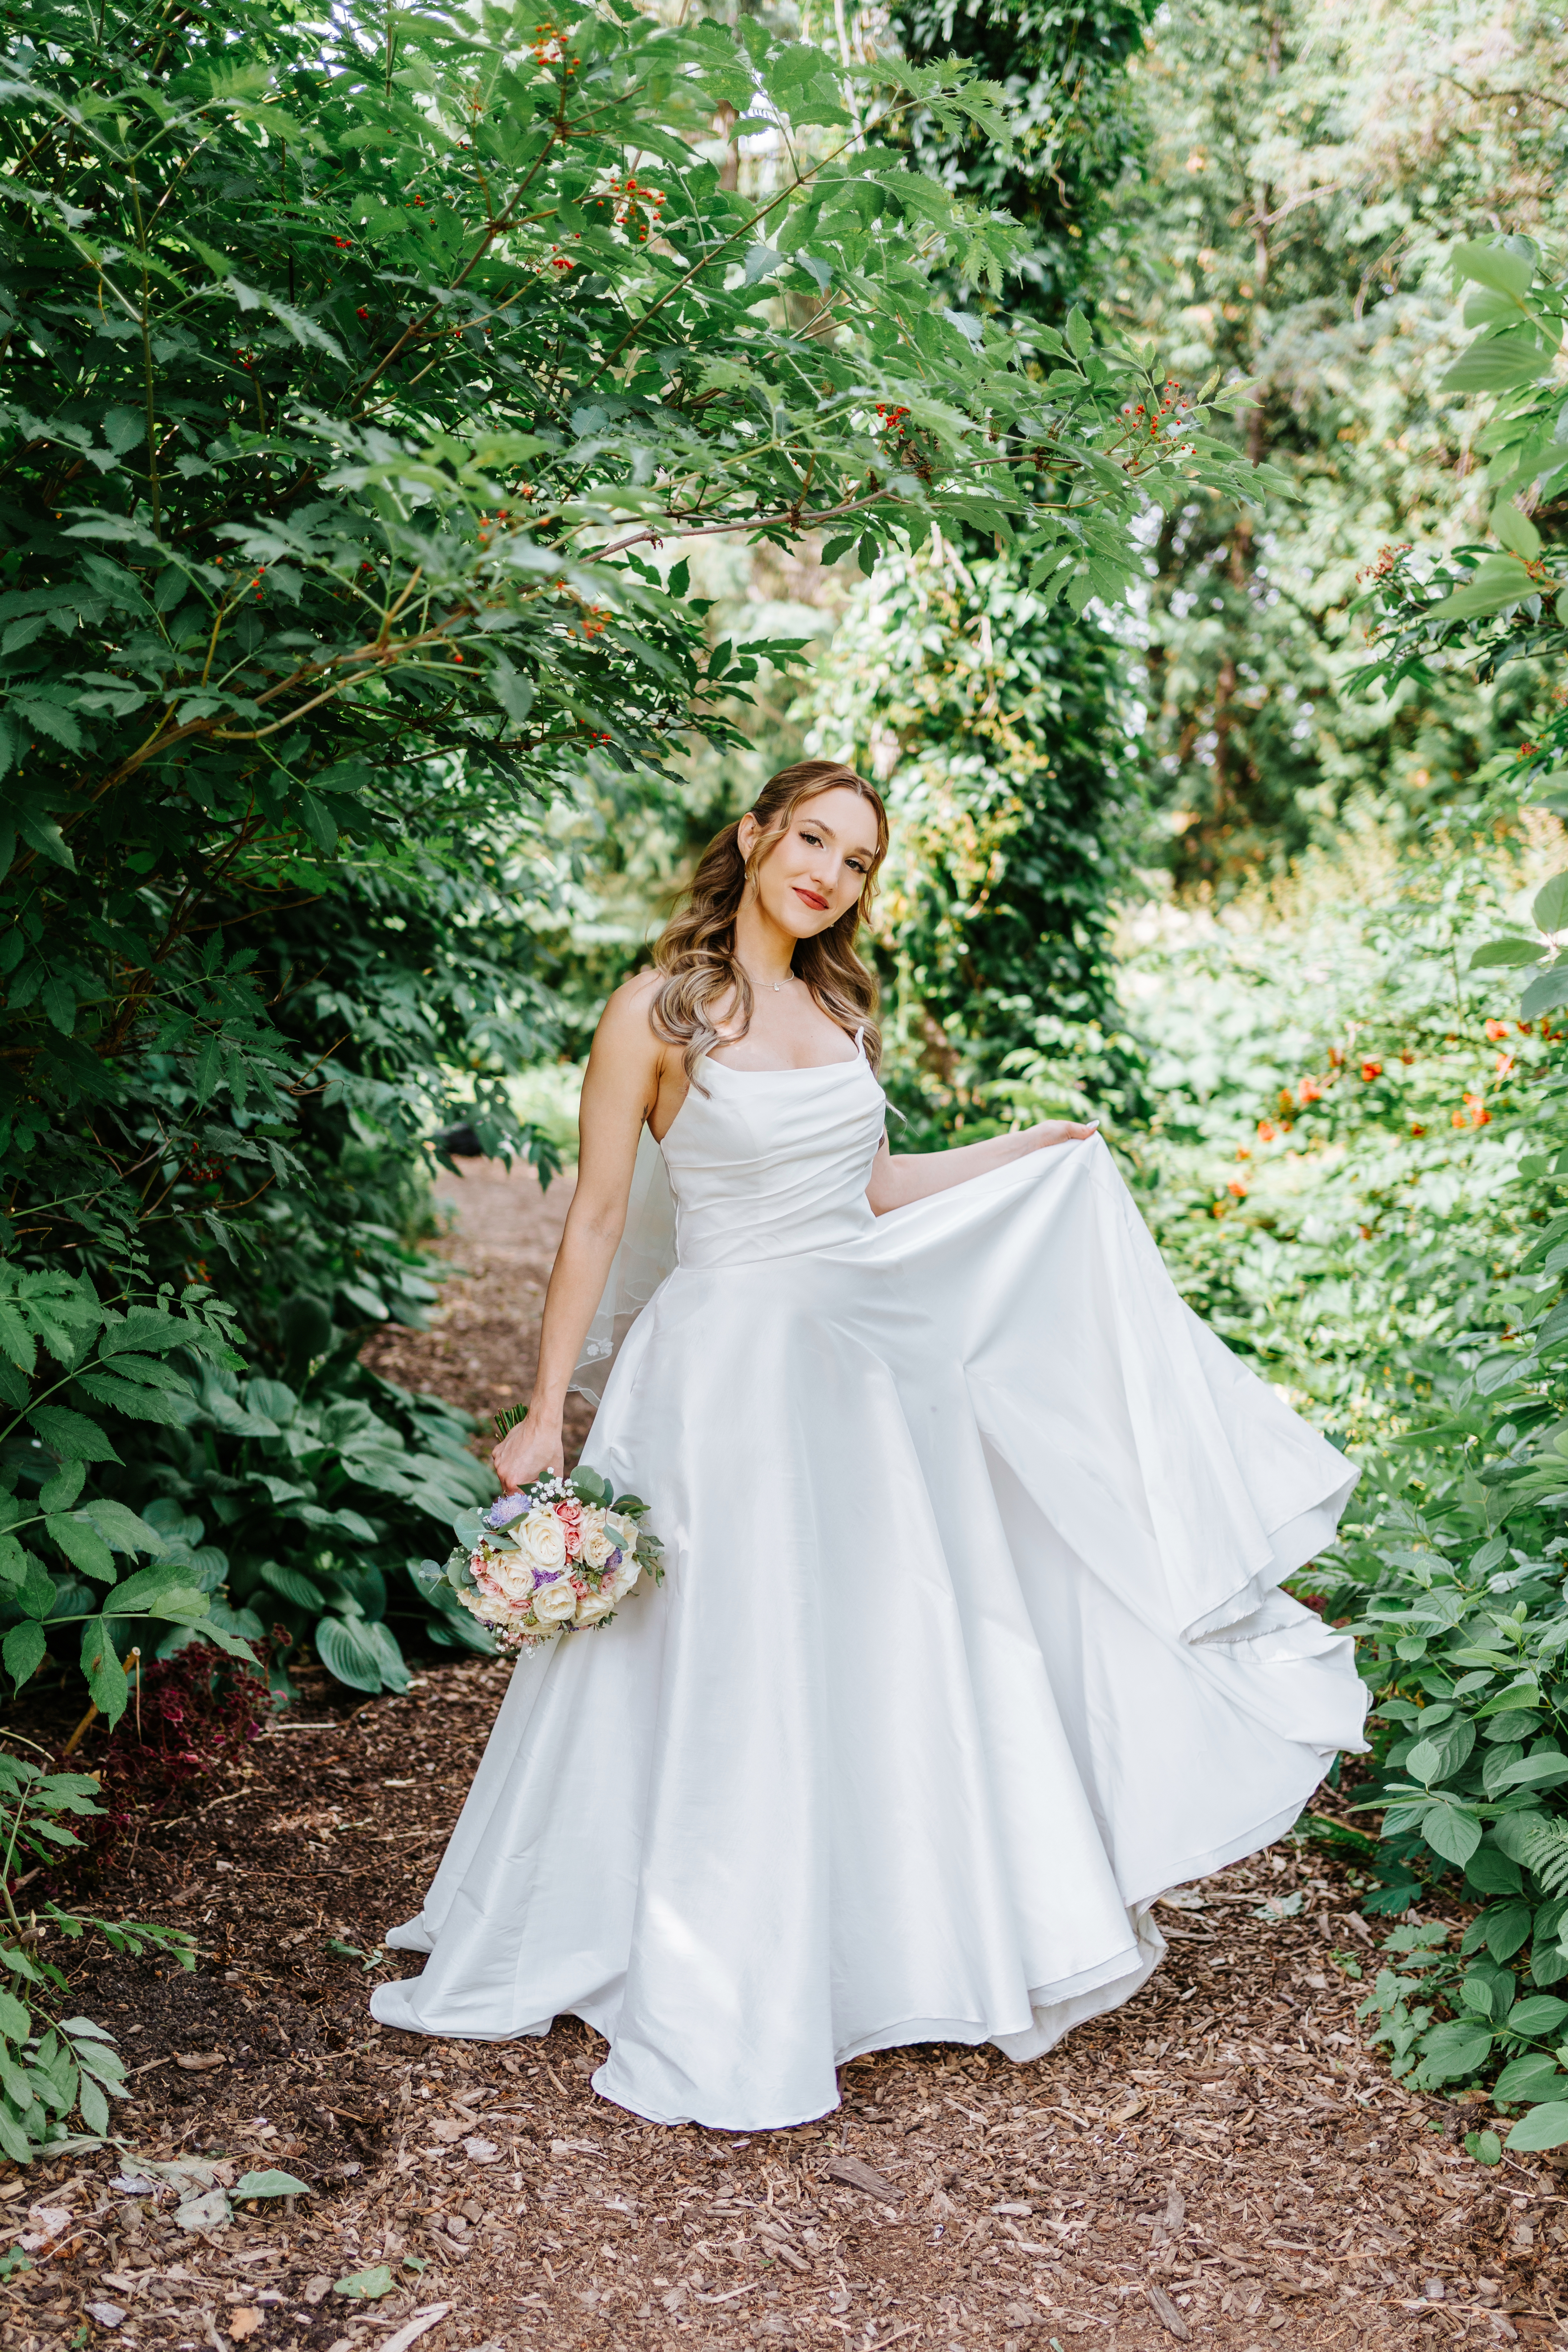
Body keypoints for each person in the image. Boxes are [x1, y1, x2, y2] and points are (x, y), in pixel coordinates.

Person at [370, 759, 1366, 2129]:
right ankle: (709, 1957)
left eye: (858, 860)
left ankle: (891, 1943)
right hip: (724, 1375)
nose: (831, 874)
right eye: (815, 840)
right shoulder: (655, 1013)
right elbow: (598, 1219)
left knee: (884, 1643)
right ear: (756, 836)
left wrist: (1028, 1152)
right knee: (726, 1654)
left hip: (860, 1369)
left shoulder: (840, 1009)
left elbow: (876, 1189)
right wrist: (547, 1411)